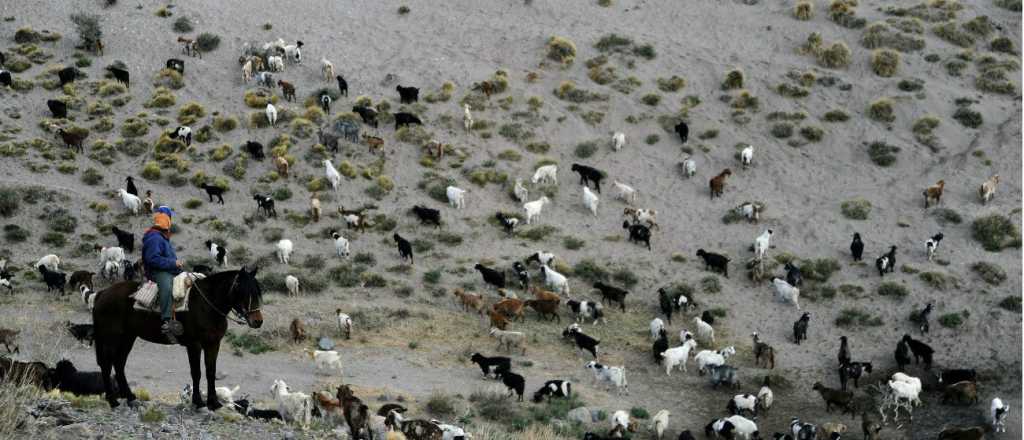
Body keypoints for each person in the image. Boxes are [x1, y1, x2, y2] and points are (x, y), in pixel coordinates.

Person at [141, 206, 184, 342]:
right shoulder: (154, 237)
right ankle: (167, 322)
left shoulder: (162, 237)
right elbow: (152, 259)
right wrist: (173, 263)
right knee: (167, 287)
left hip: (168, 269)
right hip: (158, 272)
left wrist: (175, 264)